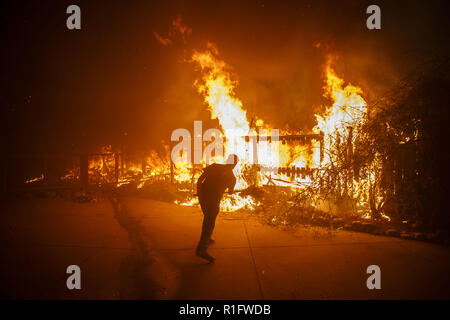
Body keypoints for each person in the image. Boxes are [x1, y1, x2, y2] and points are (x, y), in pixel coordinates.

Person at [196, 154, 238, 262]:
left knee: (207, 219)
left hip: (203, 197)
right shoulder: (232, 178)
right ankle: (201, 249)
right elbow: (230, 192)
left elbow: (200, 180)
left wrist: (199, 192)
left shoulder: (214, 167)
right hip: (213, 201)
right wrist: (231, 189)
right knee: (209, 222)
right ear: (235, 164)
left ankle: (207, 239)